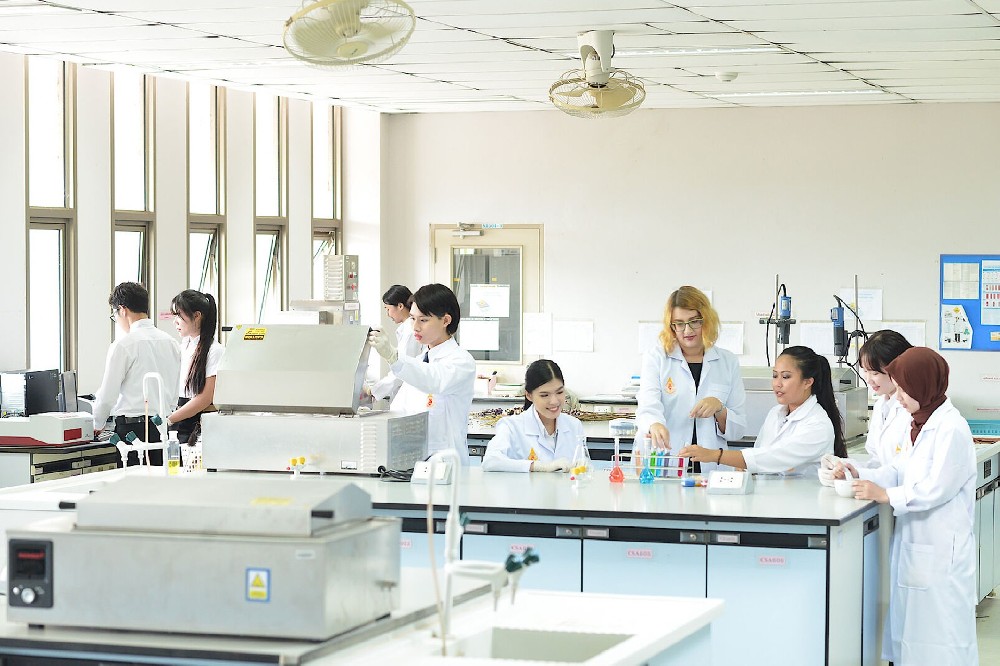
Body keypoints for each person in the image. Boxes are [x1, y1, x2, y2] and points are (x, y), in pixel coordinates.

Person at [834, 347, 977, 664]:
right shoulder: (919, 424)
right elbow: (900, 471)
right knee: (914, 637)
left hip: (941, 549)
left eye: (903, 389)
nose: (897, 397)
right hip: (917, 544)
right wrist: (858, 473)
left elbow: (936, 489)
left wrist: (886, 495)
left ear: (923, 385)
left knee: (942, 639)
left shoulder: (951, 428)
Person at [680, 345, 845, 475]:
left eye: (786, 377)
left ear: (807, 382)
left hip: (805, 502)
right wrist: (744, 469)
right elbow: (759, 453)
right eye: (775, 375)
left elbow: (772, 458)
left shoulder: (818, 424)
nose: (777, 384)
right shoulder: (776, 413)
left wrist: (714, 455)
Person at [635, 286, 747, 473]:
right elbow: (647, 405)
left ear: (706, 320)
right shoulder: (657, 358)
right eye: (679, 323)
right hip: (666, 460)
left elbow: (738, 430)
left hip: (711, 467)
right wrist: (654, 424)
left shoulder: (727, 362)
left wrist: (719, 408)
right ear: (671, 326)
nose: (687, 330)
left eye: (694, 321)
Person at [368, 283, 476, 464]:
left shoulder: (462, 362)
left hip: (446, 465)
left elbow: (434, 380)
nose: (415, 327)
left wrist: (394, 356)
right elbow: (399, 413)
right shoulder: (419, 361)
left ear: (446, 320)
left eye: (423, 320)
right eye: (412, 319)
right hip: (412, 463)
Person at [92, 282, 181, 466]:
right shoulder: (171, 343)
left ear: (122, 310)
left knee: (134, 482)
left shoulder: (124, 345)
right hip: (163, 428)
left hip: (132, 430)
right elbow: (174, 393)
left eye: (115, 315)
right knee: (162, 480)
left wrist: (97, 424)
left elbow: (108, 396)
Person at [819, 330, 912, 485]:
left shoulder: (911, 410)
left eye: (875, 373)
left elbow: (902, 471)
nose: (868, 379)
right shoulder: (881, 405)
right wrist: (845, 467)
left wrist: (860, 474)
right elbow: (877, 462)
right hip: (886, 488)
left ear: (897, 369)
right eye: (865, 371)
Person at [482, 360, 583, 472]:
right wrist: (537, 466)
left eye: (559, 392)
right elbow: (490, 461)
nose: (554, 401)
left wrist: (584, 465)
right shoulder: (511, 426)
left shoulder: (574, 425)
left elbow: (582, 463)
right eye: (545, 395)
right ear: (529, 395)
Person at [165, 290, 224, 444]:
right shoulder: (184, 345)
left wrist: (170, 419)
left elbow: (205, 398)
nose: (175, 322)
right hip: (178, 418)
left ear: (197, 316)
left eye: (179, 315)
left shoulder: (214, 350)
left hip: (195, 423)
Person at [370, 285, 422, 406]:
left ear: (400, 306)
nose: (388, 314)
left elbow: (402, 370)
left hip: (410, 398)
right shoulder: (406, 329)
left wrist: (373, 392)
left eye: (388, 309)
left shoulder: (410, 331)